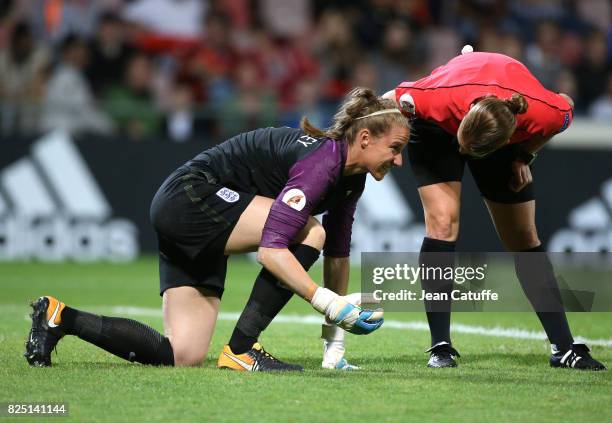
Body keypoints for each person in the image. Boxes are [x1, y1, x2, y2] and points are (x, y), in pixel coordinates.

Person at [24, 87, 410, 370]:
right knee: (309, 232)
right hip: (190, 198)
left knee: (182, 356)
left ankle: (59, 317)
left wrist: (335, 345)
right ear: (363, 138)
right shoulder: (320, 163)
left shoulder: (349, 179)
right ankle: (242, 351)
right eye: (395, 148)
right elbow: (273, 251)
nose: (398, 161)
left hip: (207, 217)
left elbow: (338, 259)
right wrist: (329, 303)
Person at [383, 49, 606, 370]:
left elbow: (566, 103)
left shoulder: (545, 112)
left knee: (523, 236)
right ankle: (440, 346)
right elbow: (385, 100)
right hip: (436, 129)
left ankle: (563, 348)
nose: (464, 155)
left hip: (504, 124)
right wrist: (391, 146)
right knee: (442, 224)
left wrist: (524, 155)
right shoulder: (433, 98)